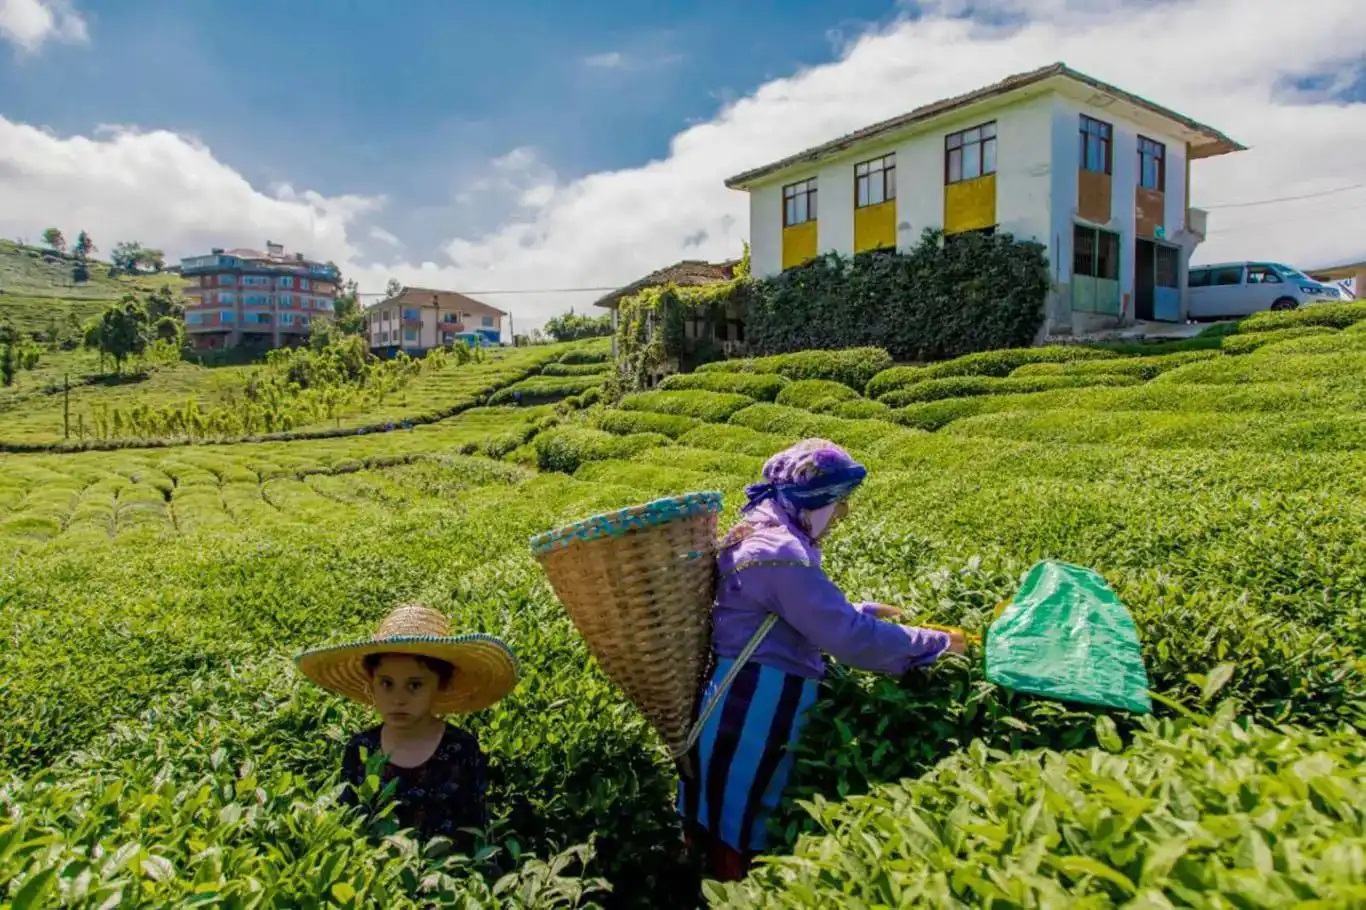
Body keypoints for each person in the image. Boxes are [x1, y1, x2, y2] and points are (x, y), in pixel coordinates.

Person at [677, 439, 966, 881]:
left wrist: (863, 610)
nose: (841, 517)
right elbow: (847, 639)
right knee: (741, 832)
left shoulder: (761, 530)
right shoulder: (778, 552)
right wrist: (937, 643)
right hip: (757, 705)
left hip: (739, 697)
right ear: (811, 501)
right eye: (837, 504)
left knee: (724, 819)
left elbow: (791, 615)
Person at [295, 603, 520, 848]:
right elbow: (347, 824)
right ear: (371, 685)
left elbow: (475, 827)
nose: (398, 699)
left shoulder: (461, 749)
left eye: (414, 685)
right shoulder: (361, 749)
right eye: (387, 684)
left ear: (441, 685)